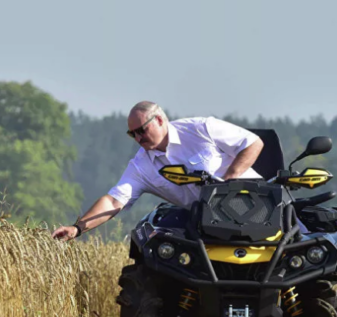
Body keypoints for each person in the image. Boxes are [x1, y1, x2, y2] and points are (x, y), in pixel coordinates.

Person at [52, 101, 264, 241]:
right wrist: (77, 228)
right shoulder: (141, 166)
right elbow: (114, 201)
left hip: (259, 209)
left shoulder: (201, 129)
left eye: (141, 131)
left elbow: (253, 143)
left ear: (160, 120)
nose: (138, 139)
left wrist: (229, 180)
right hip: (208, 228)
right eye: (132, 134)